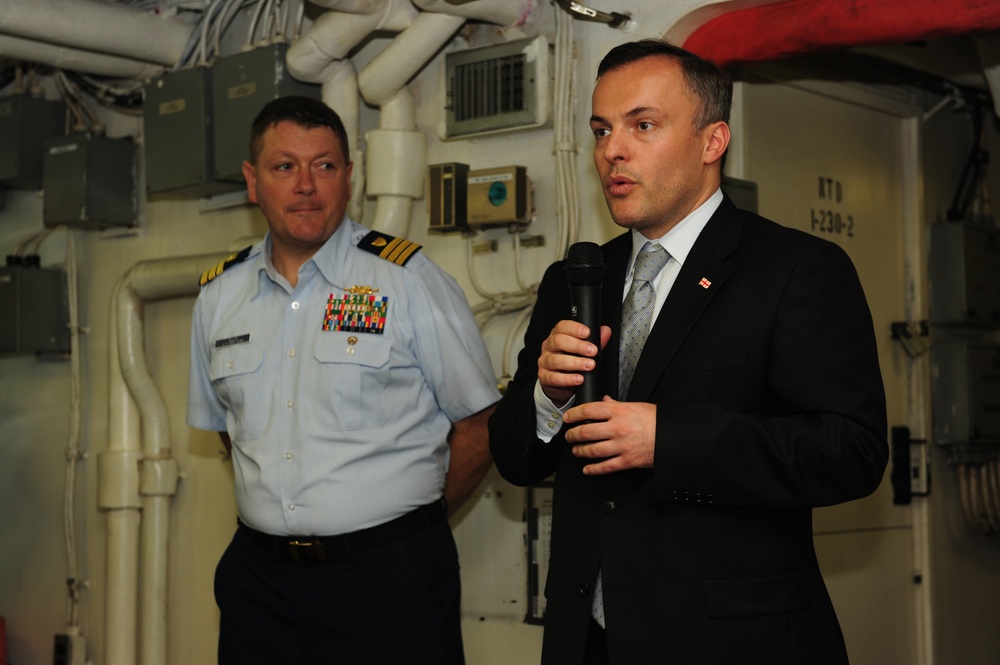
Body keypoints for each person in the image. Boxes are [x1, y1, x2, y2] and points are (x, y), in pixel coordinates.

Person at [488, 39, 888, 665]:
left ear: (712, 142)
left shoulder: (794, 270)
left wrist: (669, 440)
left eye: (642, 125)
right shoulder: (574, 281)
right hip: (588, 641)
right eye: (601, 130)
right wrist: (547, 396)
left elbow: (851, 452)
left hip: (731, 640)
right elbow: (514, 458)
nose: (611, 150)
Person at [187, 95, 499, 664]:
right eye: (285, 167)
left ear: (349, 178)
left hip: (387, 581)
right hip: (260, 586)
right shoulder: (218, 296)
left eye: (324, 166)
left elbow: (479, 424)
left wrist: (409, 525)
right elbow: (229, 432)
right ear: (253, 182)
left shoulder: (408, 280)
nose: (306, 184)